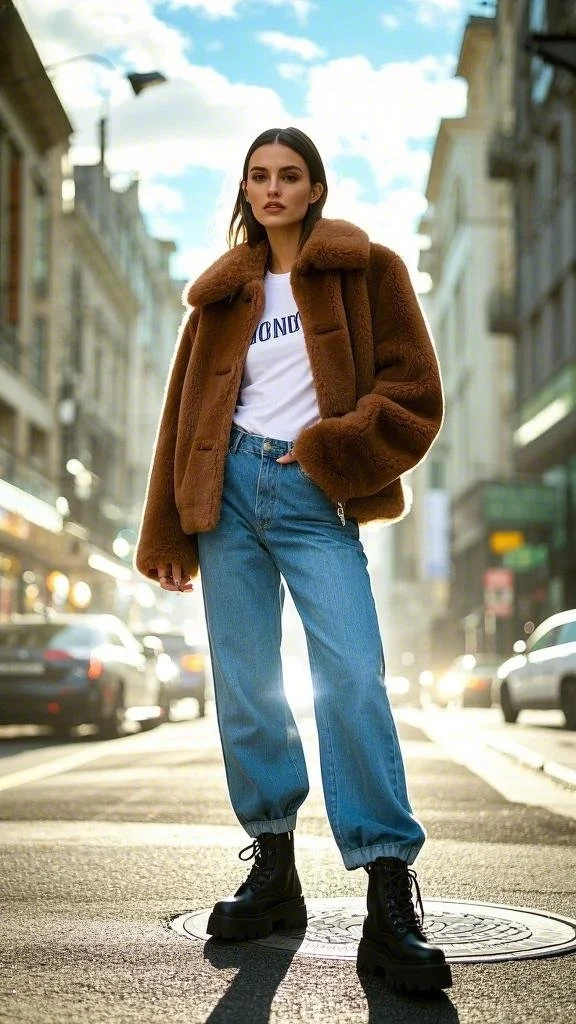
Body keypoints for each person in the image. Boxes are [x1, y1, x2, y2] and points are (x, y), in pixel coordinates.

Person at [135, 126, 451, 993]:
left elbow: (416, 391)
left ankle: (389, 883)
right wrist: (166, 534)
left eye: (291, 176)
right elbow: (180, 422)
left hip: (315, 494)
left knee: (351, 675)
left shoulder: (368, 270)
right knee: (244, 683)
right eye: (259, 176)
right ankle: (273, 863)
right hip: (224, 498)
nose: (274, 188)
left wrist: (328, 447)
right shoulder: (220, 295)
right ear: (245, 189)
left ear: (315, 189)